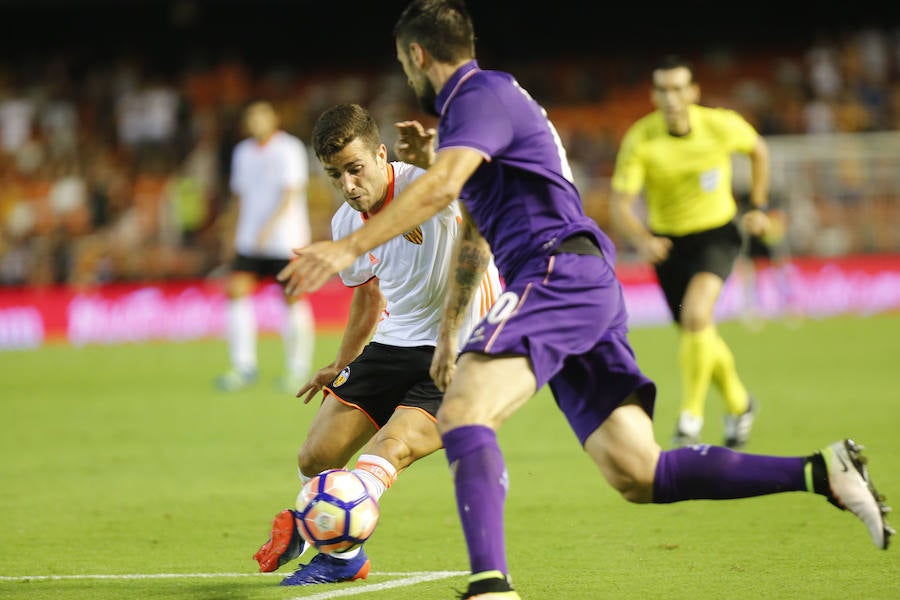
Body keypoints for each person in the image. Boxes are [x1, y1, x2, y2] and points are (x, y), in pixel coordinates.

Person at [279, 2, 893, 598]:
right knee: (638, 472)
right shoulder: (478, 116)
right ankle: (823, 471)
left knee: (464, 409)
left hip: (555, 271)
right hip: (580, 281)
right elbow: (469, 229)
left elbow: (441, 190)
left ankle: (490, 587)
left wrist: (347, 246)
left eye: (403, 62)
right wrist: (446, 328)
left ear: (416, 54)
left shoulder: (479, 95)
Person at [255, 103, 502, 586]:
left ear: (382, 154)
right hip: (395, 342)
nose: (348, 185)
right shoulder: (348, 224)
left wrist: (433, 159)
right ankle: (345, 557)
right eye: (334, 175)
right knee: (315, 455)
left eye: (355, 169)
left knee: (388, 449)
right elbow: (369, 297)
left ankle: (314, 532)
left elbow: (473, 194)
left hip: (463, 344)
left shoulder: (426, 185)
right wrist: (341, 363)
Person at [609, 55, 769, 448]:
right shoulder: (641, 138)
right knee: (698, 332)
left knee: (697, 316)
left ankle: (690, 416)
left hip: (717, 234)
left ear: (693, 91)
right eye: (663, 89)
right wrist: (642, 238)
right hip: (668, 246)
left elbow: (758, 151)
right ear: (653, 95)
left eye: (679, 88)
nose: (671, 97)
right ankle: (739, 404)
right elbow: (620, 202)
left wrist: (759, 207)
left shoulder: (719, 124)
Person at [215, 99, 315, 392]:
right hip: (249, 239)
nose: (256, 122)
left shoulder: (289, 148)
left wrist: (269, 228)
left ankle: (298, 368)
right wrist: (232, 232)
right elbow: (239, 196)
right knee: (236, 292)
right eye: (251, 117)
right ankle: (243, 366)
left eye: (261, 116)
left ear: (274, 118)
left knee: (293, 298)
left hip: (286, 240)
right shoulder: (243, 152)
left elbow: (291, 192)